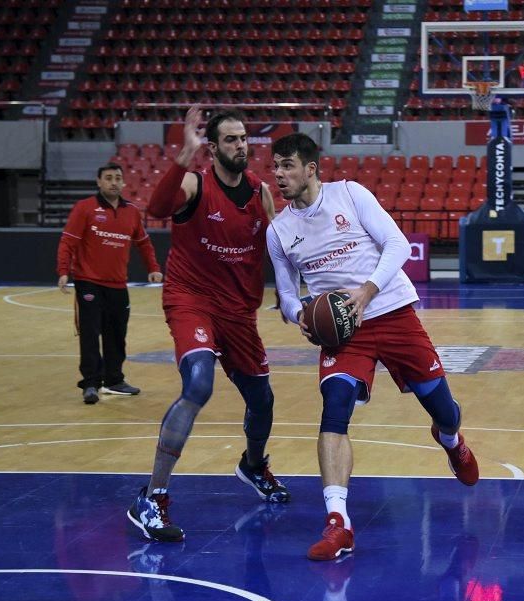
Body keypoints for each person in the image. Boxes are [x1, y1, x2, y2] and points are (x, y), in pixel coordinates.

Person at [267, 133, 479, 561]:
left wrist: (365, 293)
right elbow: (286, 295)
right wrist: (302, 315)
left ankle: (450, 439)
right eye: (275, 167)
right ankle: (337, 522)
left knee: (443, 410)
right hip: (344, 333)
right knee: (335, 405)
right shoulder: (278, 230)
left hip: (392, 309)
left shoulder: (350, 193)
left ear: (311, 168)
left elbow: (397, 244)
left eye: (287, 165)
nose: (279, 175)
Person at [126, 107, 290, 543]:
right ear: (213, 147)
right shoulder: (194, 183)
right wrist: (184, 155)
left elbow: (277, 249)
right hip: (192, 300)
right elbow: (156, 209)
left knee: (263, 400)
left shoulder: (260, 192)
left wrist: (293, 297)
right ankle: (152, 496)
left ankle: (253, 465)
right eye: (232, 140)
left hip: (239, 311)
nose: (242, 146)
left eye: (245, 139)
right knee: (198, 383)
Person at [57, 163, 163, 405]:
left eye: (118, 178)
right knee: (91, 335)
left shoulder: (132, 212)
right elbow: (68, 242)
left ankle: (114, 381)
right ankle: (91, 384)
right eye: (108, 178)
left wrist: (154, 268)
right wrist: (63, 270)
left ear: (124, 183)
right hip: (88, 283)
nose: (114, 182)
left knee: (117, 335)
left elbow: (144, 244)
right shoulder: (84, 208)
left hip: (118, 285)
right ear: (98, 182)